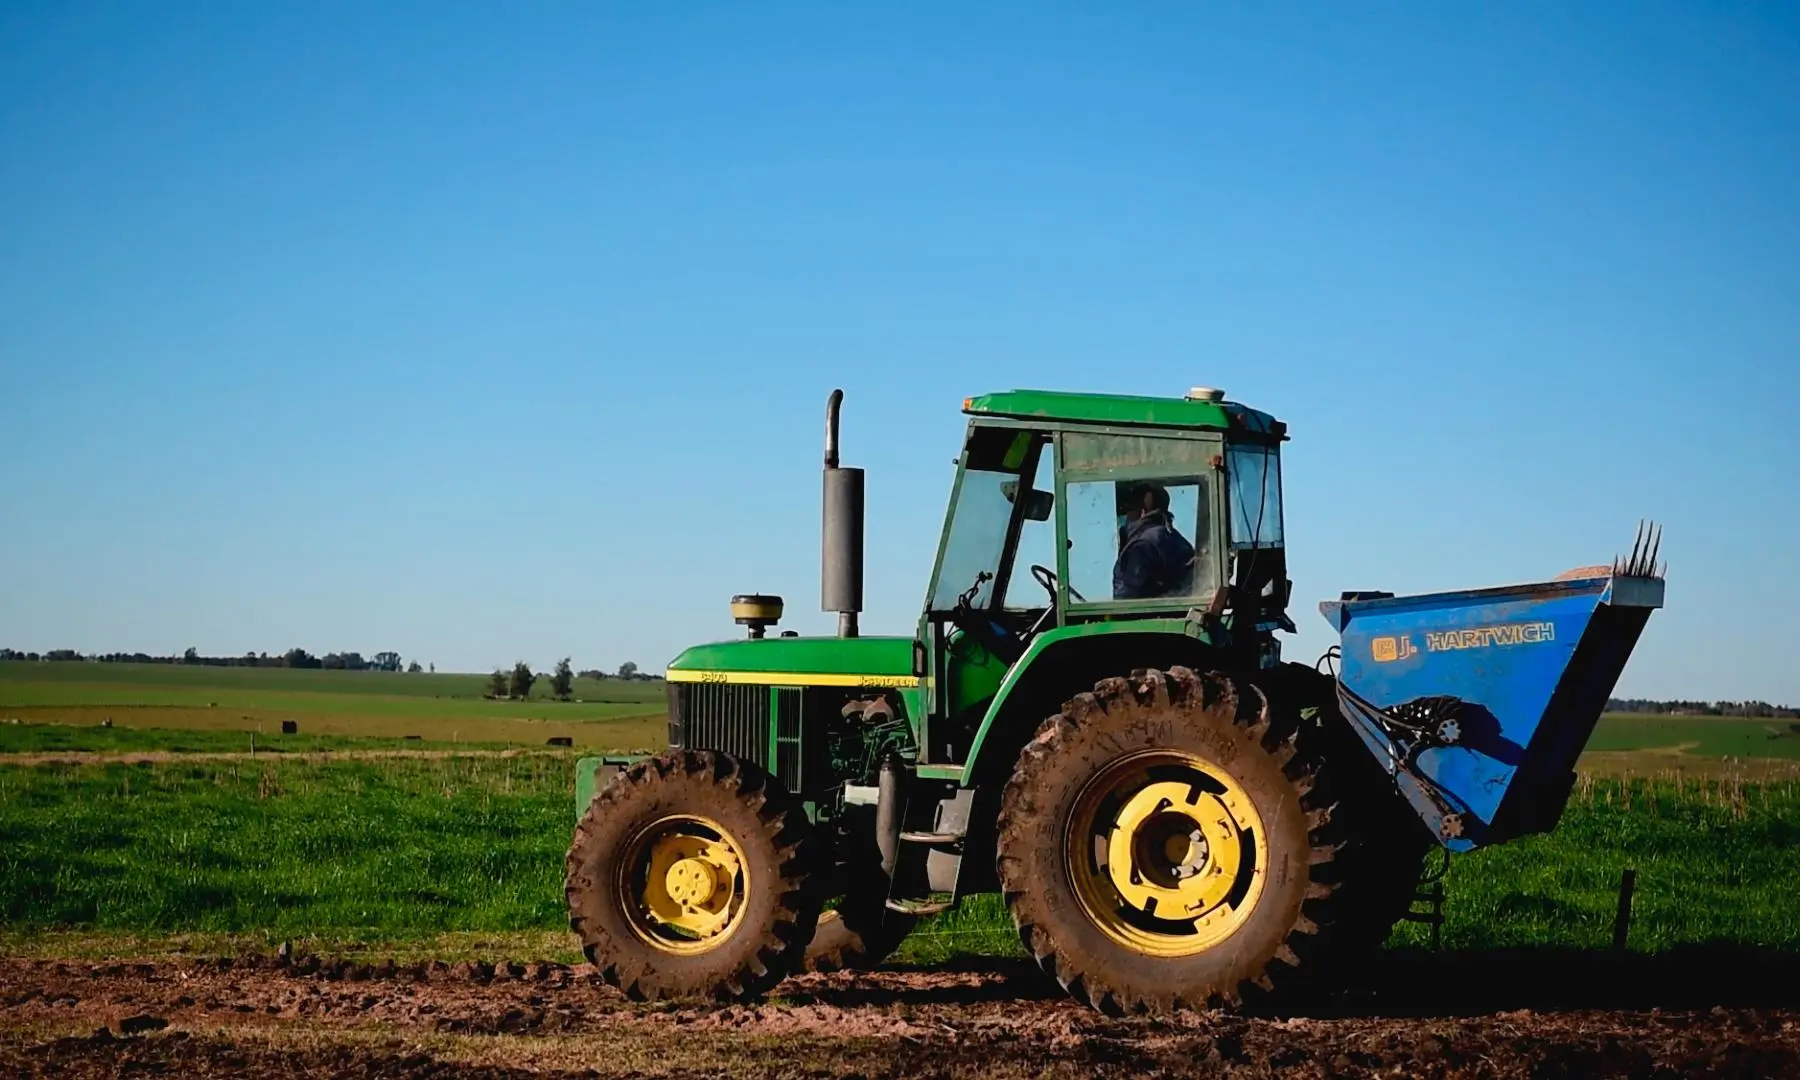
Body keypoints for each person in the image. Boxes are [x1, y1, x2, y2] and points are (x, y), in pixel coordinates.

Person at [1112, 481, 1197, 600]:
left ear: (1142, 512)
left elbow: (1125, 601)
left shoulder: (1141, 547)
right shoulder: (1175, 539)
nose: (1125, 517)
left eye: (1127, 511)